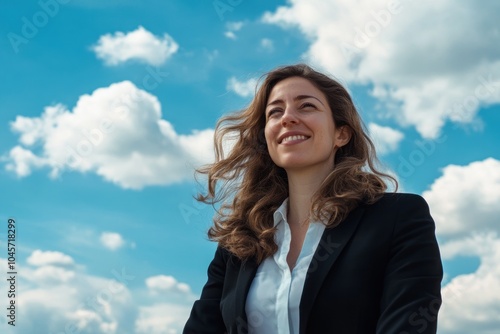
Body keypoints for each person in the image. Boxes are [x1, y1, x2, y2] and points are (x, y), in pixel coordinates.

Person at [183, 64, 443, 334]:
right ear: (266, 136)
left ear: (341, 134)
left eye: (306, 106)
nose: (287, 118)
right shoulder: (239, 240)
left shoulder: (399, 218)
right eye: (275, 112)